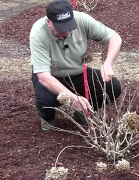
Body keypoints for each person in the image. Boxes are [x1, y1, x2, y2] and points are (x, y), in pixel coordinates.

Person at [30, 0, 122, 130]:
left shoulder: (82, 20)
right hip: (52, 76)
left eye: (68, 26)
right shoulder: (38, 33)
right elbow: (44, 77)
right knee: (46, 100)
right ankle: (48, 118)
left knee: (113, 87)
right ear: (48, 22)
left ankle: (83, 111)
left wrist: (108, 63)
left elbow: (115, 38)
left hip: (77, 73)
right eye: (61, 28)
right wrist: (74, 99)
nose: (66, 32)